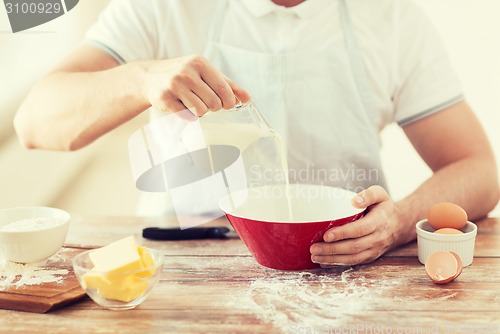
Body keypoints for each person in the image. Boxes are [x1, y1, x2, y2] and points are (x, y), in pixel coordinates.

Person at [14, 0, 499, 266]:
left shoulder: (393, 20)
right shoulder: (161, 8)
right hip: (181, 268)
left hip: (347, 270)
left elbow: (479, 170)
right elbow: (35, 122)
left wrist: (397, 223)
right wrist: (140, 79)